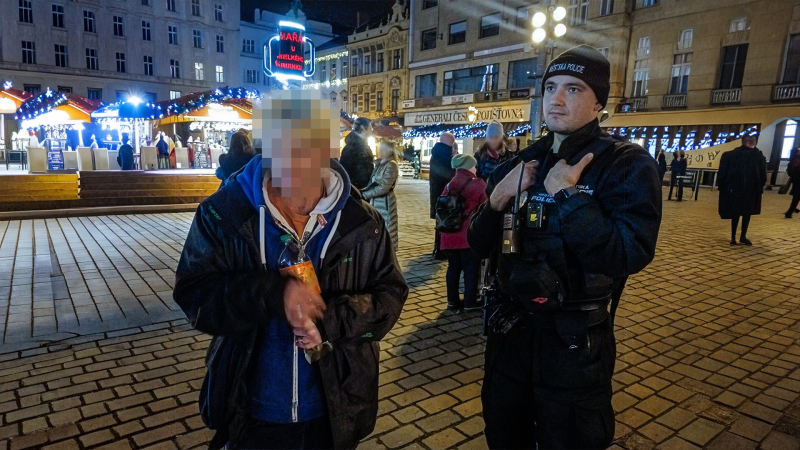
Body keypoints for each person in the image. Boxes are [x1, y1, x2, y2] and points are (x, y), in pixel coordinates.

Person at [173, 90, 408, 450]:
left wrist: (330, 322)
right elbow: (195, 295)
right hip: (252, 412)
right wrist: (273, 293)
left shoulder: (362, 223)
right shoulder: (225, 214)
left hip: (335, 410)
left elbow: (390, 297)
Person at [468, 45, 662, 449]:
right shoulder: (519, 165)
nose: (556, 99)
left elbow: (629, 252)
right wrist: (496, 200)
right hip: (509, 337)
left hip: (574, 346)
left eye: (573, 89)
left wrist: (569, 198)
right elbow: (477, 243)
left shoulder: (625, 164)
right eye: (550, 87)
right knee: (504, 436)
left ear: (598, 103)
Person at [439, 154, 486, 311]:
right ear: (469, 166)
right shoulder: (477, 184)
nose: (476, 168)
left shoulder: (449, 185)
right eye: (474, 165)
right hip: (466, 237)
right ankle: (470, 302)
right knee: (470, 269)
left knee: (453, 268)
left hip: (448, 235)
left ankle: (452, 301)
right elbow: (486, 208)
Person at [718, 135, 767, 245]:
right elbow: (762, 174)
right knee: (744, 212)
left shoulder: (734, 155)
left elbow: (723, 172)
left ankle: (736, 236)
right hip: (745, 189)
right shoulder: (757, 156)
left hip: (741, 189)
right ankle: (740, 236)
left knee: (740, 212)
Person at [362, 141, 400, 250]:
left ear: (390, 151)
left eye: (384, 149)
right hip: (374, 202)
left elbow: (384, 187)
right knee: (377, 227)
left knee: (387, 227)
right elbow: (372, 183)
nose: (381, 151)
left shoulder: (391, 165)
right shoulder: (379, 164)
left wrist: (365, 195)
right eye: (380, 148)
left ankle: (389, 252)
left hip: (385, 203)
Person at [429, 133, 457, 257]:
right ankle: (441, 250)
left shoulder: (437, 154)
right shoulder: (445, 156)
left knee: (440, 221)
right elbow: (450, 175)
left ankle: (438, 248)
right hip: (444, 193)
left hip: (437, 193)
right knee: (444, 222)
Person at [340, 117, 374, 190]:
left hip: (361, 190)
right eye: (370, 127)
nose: (372, 130)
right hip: (358, 192)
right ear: (364, 129)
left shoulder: (361, 145)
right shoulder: (352, 148)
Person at [785, 147, 800, 218]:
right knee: (796, 198)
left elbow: (791, 171)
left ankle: (790, 212)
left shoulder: (795, 159)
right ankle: (790, 212)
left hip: (796, 181)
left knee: (796, 198)